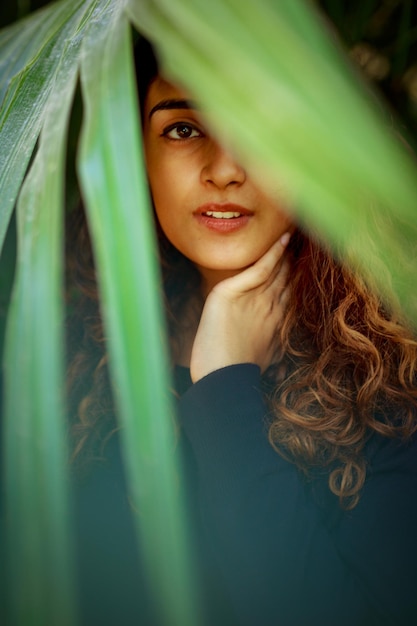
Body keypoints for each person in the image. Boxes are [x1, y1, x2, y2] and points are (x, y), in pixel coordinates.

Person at [66, 37, 417, 626]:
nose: (225, 169)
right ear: (133, 153)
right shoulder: (74, 351)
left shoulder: (395, 374)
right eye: (182, 128)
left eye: (261, 127)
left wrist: (226, 384)